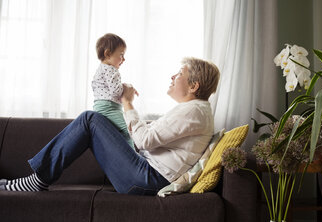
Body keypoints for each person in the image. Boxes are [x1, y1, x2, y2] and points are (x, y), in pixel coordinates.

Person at [0, 57, 220, 195]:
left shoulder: (194, 111)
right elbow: (148, 140)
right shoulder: (196, 111)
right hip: (146, 172)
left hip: (148, 180)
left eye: (180, 73)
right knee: (97, 121)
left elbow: (144, 140)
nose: (173, 76)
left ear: (193, 85)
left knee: (90, 120)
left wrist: (127, 102)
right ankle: (38, 178)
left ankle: (37, 180)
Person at [92, 33, 134, 149]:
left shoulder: (102, 69)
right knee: (129, 130)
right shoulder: (111, 70)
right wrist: (126, 87)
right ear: (108, 53)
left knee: (119, 133)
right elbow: (116, 92)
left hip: (102, 107)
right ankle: (133, 156)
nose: (123, 59)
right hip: (109, 108)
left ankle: (126, 154)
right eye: (121, 54)